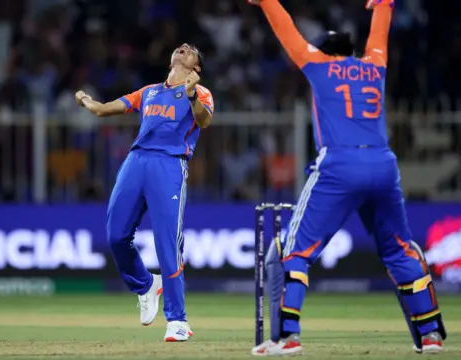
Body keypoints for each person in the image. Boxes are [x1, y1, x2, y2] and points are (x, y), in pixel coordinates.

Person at [246, 0, 446, 356]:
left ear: (324, 51)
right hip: (384, 165)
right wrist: (383, 4)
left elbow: (286, 32)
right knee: (401, 251)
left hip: (339, 165)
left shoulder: (318, 64)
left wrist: (267, 2)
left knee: (294, 251)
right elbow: (380, 32)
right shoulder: (375, 65)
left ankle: (287, 337)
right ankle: (430, 336)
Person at [75, 43, 214, 342]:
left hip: (169, 165)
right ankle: (146, 285)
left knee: (167, 244)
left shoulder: (200, 92)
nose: (183, 48)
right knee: (116, 235)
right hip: (136, 161)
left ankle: (178, 321)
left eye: (190, 51)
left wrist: (190, 93)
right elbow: (102, 110)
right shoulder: (149, 91)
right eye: (180, 47)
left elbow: (204, 121)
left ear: (196, 68)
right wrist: (85, 98)